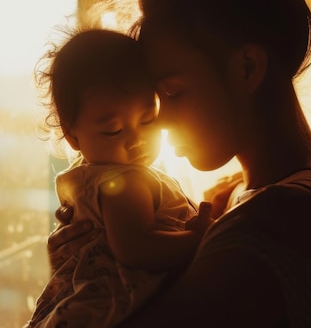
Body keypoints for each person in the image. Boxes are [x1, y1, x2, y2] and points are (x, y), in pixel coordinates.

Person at [46, 0, 311, 326]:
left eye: (173, 93)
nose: (158, 123)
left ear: (247, 68)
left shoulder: (279, 221)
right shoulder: (269, 194)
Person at [25, 29, 214, 328]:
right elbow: (136, 248)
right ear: (73, 134)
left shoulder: (93, 177)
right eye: (114, 131)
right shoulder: (123, 181)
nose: (136, 140)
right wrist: (199, 239)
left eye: (148, 120)